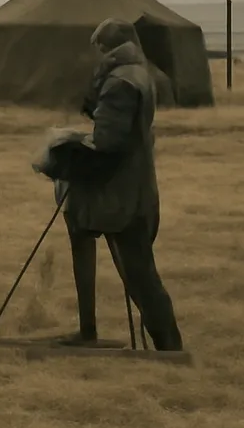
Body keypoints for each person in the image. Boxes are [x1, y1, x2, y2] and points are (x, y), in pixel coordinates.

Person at [55, 18, 183, 351]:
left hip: (120, 192)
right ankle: (97, 332)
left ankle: (169, 347)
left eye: (98, 48)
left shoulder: (120, 82)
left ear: (106, 47)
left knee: (138, 273)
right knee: (136, 268)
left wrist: (72, 147)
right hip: (132, 184)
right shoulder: (139, 74)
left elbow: (108, 142)